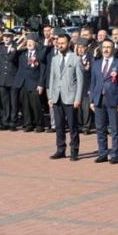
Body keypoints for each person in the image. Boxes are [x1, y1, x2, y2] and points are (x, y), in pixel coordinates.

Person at [48, 33, 84, 161]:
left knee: (73, 126)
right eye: (59, 43)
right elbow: (52, 78)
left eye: (63, 43)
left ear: (69, 43)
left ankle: (74, 150)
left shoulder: (76, 59)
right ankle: (60, 149)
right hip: (57, 97)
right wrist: (50, 97)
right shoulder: (54, 59)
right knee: (59, 125)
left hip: (70, 98)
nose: (60, 45)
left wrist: (78, 99)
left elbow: (80, 81)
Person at [89, 39, 118, 164]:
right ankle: (102, 153)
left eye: (109, 47)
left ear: (113, 49)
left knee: (115, 129)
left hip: (113, 100)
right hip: (99, 100)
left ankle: (115, 154)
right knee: (100, 128)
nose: (106, 49)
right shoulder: (96, 63)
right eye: (104, 47)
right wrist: (92, 100)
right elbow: (93, 83)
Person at [15, 32, 46, 132]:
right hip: (23, 82)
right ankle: (28, 124)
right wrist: (23, 41)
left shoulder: (39, 54)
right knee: (25, 105)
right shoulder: (22, 53)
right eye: (28, 42)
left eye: (31, 42)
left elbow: (42, 70)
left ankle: (39, 124)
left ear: (36, 43)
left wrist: (41, 84)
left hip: (34, 83)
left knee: (36, 105)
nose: (29, 44)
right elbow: (16, 49)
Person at [0, 29, 20, 130]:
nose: (6, 38)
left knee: (13, 101)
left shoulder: (16, 47)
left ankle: (13, 122)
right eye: (4, 36)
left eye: (8, 36)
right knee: (4, 101)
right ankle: (5, 120)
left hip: (13, 78)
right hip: (2, 78)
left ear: (12, 37)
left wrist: (15, 49)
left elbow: (12, 60)